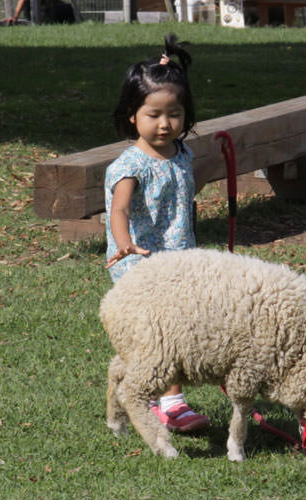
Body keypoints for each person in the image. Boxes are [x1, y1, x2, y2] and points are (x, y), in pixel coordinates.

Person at [103, 34, 211, 433]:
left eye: (175, 114)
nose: (165, 124)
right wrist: (124, 240)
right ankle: (171, 403)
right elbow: (120, 208)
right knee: (161, 335)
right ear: (133, 114)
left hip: (177, 259)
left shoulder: (181, 153)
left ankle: (149, 395)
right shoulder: (130, 164)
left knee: (177, 330)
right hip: (140, 264)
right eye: (154, 114)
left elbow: (181, 193)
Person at [3, 0, 75, 24]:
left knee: (68, 8)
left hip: (47, 12)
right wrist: (15, 17)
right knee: (69, 8)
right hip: (37, 14)